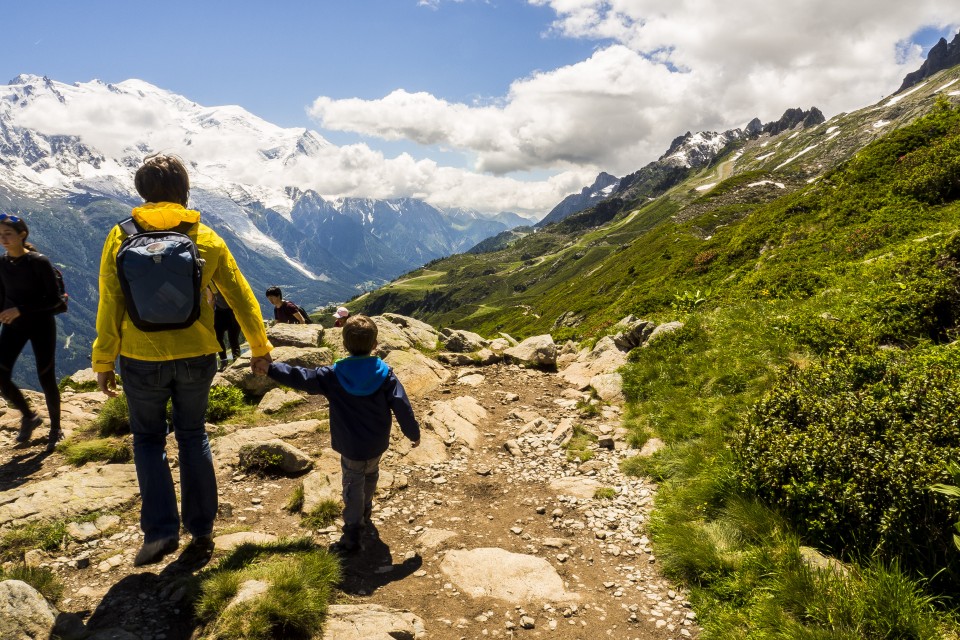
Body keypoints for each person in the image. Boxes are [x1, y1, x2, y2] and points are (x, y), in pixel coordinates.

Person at [92, 155, 273, 567]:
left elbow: (110, 301)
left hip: (140, 357)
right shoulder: (204, 236)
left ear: (142, 191)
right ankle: (201, 527)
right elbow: (241, 296)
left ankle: (159, 533)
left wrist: (104, 359)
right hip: (196, 355)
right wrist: (260, 349)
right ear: (183, 189)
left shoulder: (119, 236)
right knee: (192, 434)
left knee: (148, 440)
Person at [254, 314, 420, 553]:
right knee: (371, 473)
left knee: (352, 482)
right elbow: (402, 406)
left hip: (350, 445)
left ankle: (352, 532)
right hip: (376, 442)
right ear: (375, 345)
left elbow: (299, 377)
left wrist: (271, 368)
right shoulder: (386, 375)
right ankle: (366, 510)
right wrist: (413, 433)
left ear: (344, 345)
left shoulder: (332, 376)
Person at [0, 213, 63, 452]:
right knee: (1, 375)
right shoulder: (2, 264)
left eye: (8, 234)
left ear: (22, 235)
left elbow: (55, 301)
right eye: (0, 235)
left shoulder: (39, 262)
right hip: (13, 325)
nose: (3, 239)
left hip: (41, 325)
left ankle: (56, 428)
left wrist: (20, 310)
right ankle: (29, 416)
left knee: (46, 377)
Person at [211, 284, 244, 370]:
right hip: (220, 311)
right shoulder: (209, 281)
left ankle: (236, 360)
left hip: (233, 310)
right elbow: (212, 298)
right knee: (217, 337)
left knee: (233, 338)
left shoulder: (224, 278)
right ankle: (224, 361)